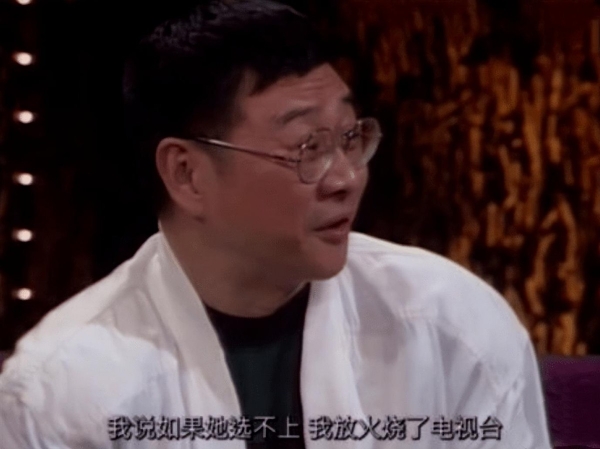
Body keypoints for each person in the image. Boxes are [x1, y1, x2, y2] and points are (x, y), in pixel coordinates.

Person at [0, 1, 552, 448]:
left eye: (350, 138)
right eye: (308, 147)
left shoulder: (451, 324)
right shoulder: (62, 387)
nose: (346, 179)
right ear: (187, 174)